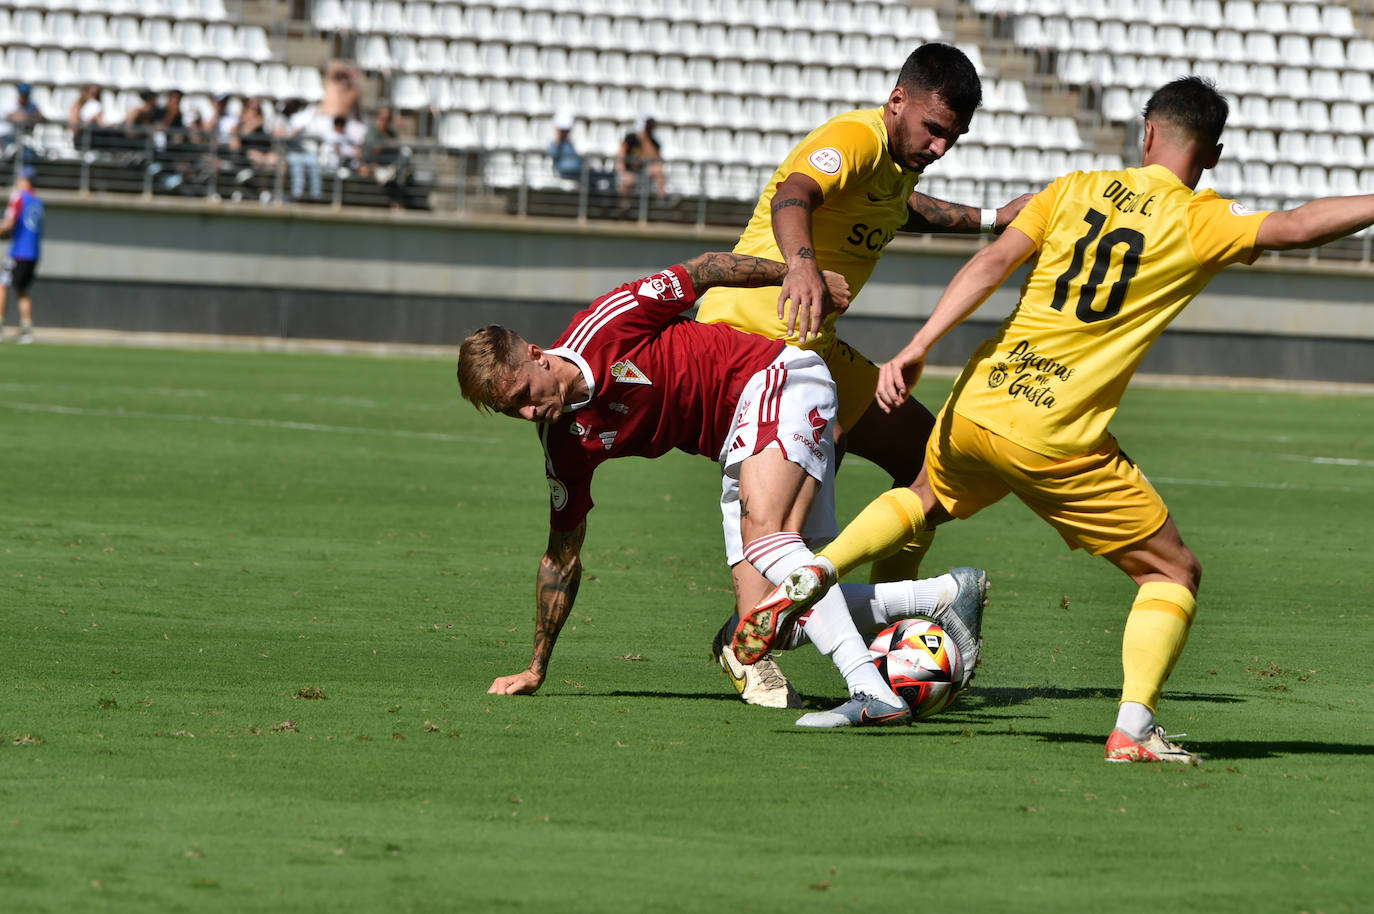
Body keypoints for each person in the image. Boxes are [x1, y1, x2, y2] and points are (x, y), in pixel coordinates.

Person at [737, 74, 1374, 762]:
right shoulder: (1200, 219)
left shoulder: (1071, 188)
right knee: (1172, 573)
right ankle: (1133, 729)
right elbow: (1298, 226)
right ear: (1211, 155)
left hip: (982, 398)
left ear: (1147, 134)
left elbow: (992, 262)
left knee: (921, 497)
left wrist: (918, 347)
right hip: (1056, 432)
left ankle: (819, 570)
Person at [458, 251, 988, 726]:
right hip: (744, 441)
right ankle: (941, 596)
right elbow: (561, 558)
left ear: (535, 353)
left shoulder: (607, 324)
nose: (529, 412)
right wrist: (536, 666)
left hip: (772, 378)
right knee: (764, 627)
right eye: (513, 411)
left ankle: (869, 691)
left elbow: (706, 270)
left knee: (766, 541)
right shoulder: (563, 444)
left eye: (525, 394)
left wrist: (802, 276)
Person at [695, 42, 1030, 705]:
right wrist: (800, 264)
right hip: (752, 337)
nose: (939, 148)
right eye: (933, 130)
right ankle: (749, 643)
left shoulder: (898, 163)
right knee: (776, 550)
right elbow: (794, 195)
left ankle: (901, 629)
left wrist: (992, 219)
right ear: (897, 101)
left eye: (952, 138)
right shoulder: (854, 137)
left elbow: (904, 208)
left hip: (813, 345)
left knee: (929, 462)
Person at [0, 166, 44, 344]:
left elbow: (9, 223)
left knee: (2, 284)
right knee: (22, 290)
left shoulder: (19, 197)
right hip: (33, 253)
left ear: (24, 180)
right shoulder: (38, 201)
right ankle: (26, 328)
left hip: (18, 251)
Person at [547, 112, 611, 193]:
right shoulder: (555, 144)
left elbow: (575, 159)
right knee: (596, 177)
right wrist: (559, 137)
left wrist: (584, 164)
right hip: (568, 172)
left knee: (598, 177)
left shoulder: (569, 143)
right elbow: (553, 154)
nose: (566, 132)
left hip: (579, 170)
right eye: (563, 130)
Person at [361, 106, 411, 207]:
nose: (385, 122)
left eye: (388, 119)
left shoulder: (391, 133)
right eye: (383, 118)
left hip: (391, 165)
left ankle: (398, 202)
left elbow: (397, 148)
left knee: (405, 156)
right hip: (375, 165)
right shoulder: (373, 132)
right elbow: (375, 150)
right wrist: (388, 143)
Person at [615, 114, 665, 212]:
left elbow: (655, 159)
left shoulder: (654, 142)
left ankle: (660, 204)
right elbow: (620, 156)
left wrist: (644, 140)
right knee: (627, 180)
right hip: (629, 173)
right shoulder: (630, 138)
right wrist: (623, 172)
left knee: (658, 171)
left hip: (643, 173)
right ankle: (623, 207)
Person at [276, 98, 322, 201]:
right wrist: (296, 131)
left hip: (303, 152)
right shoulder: (281, 120)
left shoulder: (297, 119)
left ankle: (316, 196)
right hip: (290, 152)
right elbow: (282, 136)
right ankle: (297, 196)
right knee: (297, 167)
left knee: (314, 164)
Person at [1, 83, 43, 160]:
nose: (24, 97)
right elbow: (17, 117)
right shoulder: (10, 103)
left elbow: (41, 117)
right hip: (5, 138)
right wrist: (31, 116)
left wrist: (28, 117)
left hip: (20, 139)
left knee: (28, 155)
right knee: (11, 154)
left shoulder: (32, 105)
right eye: (22, 94)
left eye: (26, 94)